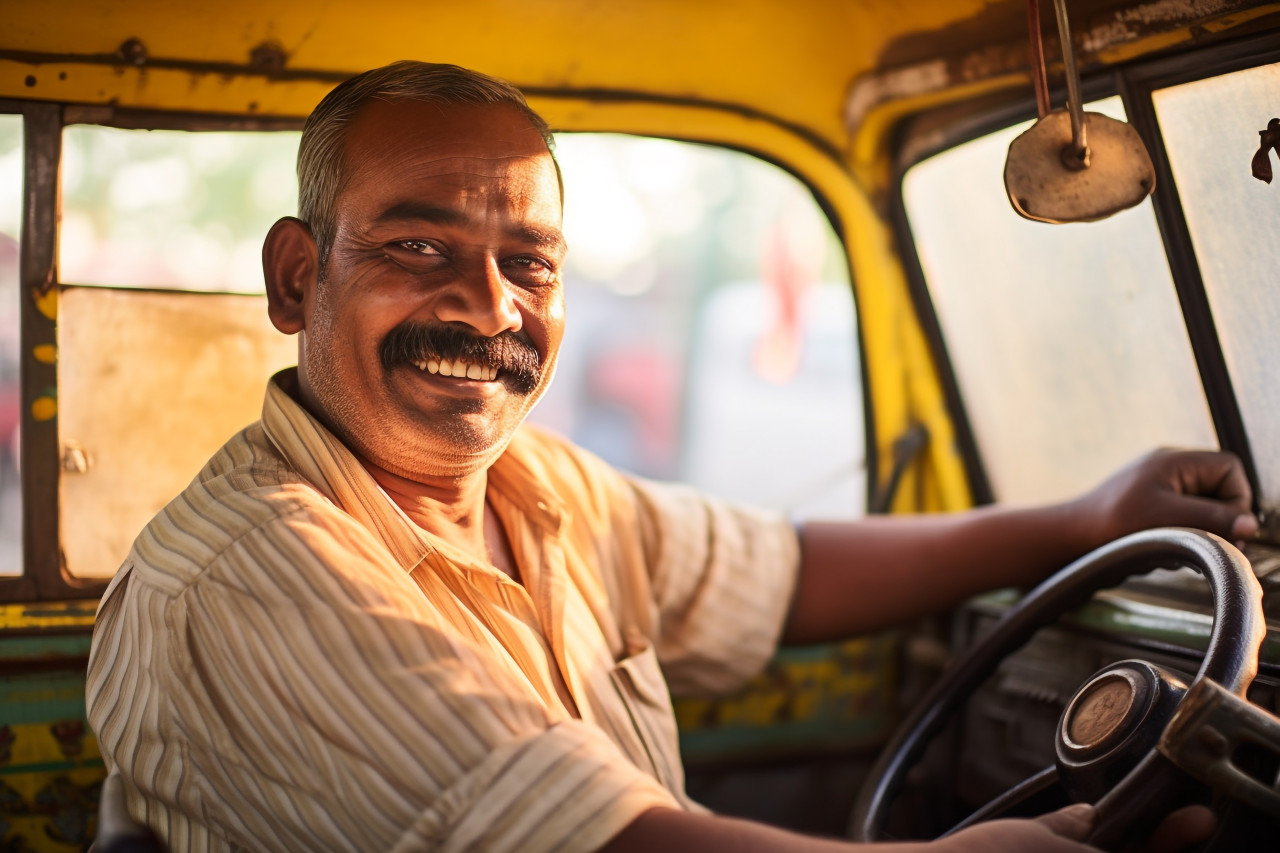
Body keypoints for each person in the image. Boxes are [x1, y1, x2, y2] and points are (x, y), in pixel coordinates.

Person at [86, 61, 1250, 853]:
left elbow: (782, 569)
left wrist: (1083, 518)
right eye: (418, 244)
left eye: (528, 262)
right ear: (297, 277)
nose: (487, 308)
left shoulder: (538, 490)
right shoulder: (246, 575)